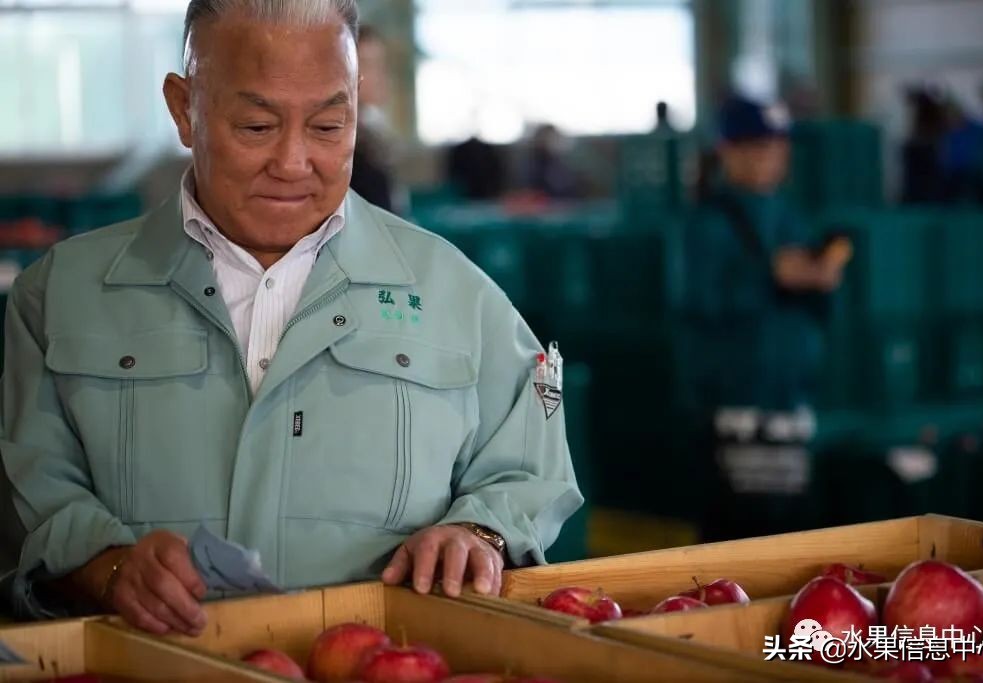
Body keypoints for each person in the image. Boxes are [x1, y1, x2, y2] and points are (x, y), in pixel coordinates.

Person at [0, 0, 582, 634]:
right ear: (183, 108)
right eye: (256, 126)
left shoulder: (459, 296)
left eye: (329, 127)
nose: (293, 162)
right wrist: (106, 567)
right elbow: (31, 493)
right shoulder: (58, 297)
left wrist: (478, 532)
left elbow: (529, 468)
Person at [681, 95, 850, 541]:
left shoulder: (792, 218)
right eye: (756, 147)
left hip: (791, 406)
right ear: (726, 151)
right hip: (733, 411)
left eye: (776, 148)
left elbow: (820, 307)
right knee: (735, 534)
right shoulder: (707, 223)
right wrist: (768, 275)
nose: (768, 159)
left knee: (791, 531)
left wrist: (820, 278)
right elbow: (698, 301)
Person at [349, 25, 397, 212]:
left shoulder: (375, 134)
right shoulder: (345, 147)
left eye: (382, 65)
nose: (380, 76)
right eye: (368, 65)